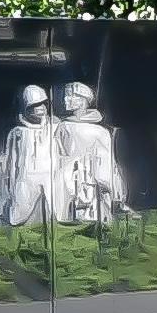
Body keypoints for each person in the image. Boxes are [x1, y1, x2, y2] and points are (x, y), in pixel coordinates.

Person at [51, 81, 135, 224]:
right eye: (66, 95)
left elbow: (105, 164)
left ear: (83, 100)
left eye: (71, 96)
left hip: (89, 183)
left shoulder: (99, 131)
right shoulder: (62, 127)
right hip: (66, 184)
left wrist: (112, 189)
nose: (66, 99)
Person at [0, 84, 68, 225]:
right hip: (25, 178)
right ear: (27, 109)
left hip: (50, 175)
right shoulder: (17, 132)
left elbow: (62, 152)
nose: (41, 109)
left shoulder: (55, 128)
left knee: (51, 206)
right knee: (24, 205)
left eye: (43, 104)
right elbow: (10, 160)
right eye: (35, 106)